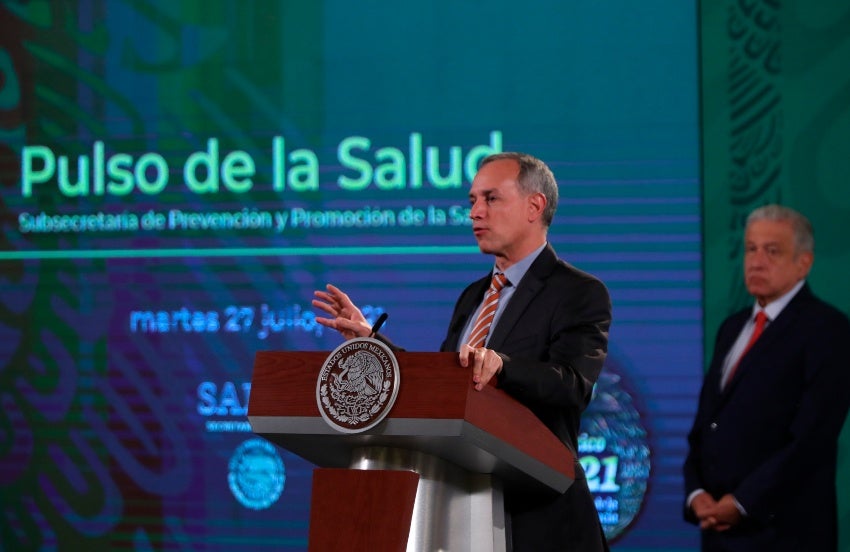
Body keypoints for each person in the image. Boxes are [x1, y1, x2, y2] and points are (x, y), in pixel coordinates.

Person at [313, 152, 611, 551]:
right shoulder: (473, 295)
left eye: (490, 198)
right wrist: (372, 345)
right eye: (471, 201)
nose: (475, 212)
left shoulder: (577, 292)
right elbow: (443, 383)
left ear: (534, 206)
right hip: (462, 511)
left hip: (541, 516)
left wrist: (502, 367)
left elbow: (573, 386)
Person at [683, 204, 850, 551]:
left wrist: (742, 503)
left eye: (772, 251)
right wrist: (697, 493)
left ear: (804, 262)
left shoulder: (828, 330)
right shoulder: (732, 327)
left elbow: (811, 440)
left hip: (784, 535)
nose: (757, 261)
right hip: (718, 533)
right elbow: (707, 425)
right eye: (751, 249)